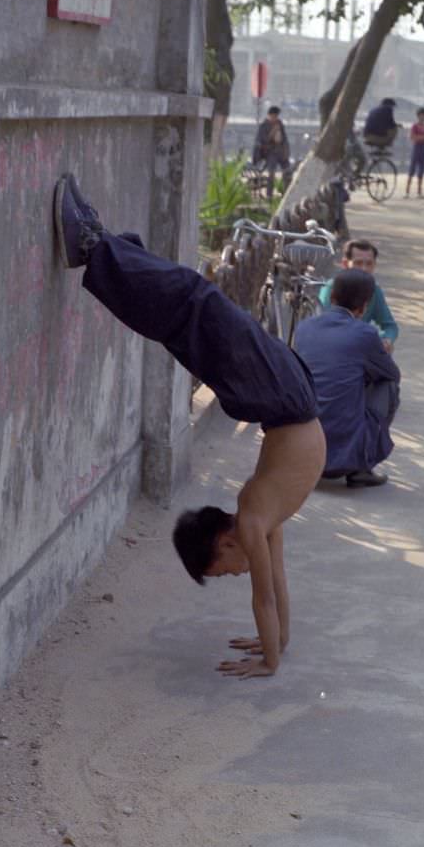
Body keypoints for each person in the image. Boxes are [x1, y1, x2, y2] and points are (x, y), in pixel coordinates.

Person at [53, 173, 326, 679]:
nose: (234, 575)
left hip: (286, 395)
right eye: (224, 573)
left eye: (221, 573)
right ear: (223, 544)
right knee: (189, 307)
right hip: (284, 395)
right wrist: (272, 655)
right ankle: (97, 246)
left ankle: (100, 246)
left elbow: (271, 592)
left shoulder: (259, 517)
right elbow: (267, 596)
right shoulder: (253, 523)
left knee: (188, 310)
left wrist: (275, 647)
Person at [294, 269, 400, 488]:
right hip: (340, 460)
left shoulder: (304, 327)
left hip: (300, 450)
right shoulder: (365, 334)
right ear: (364, 307)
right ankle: (361, 467)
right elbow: (391, 374)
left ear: (331, 297)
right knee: (388, 385)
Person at [318, 239, 399, 353]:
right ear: (345, 264)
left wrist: (387, 340)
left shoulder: (374, 290)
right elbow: (322, 325)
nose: (364, 269)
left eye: (369, 264)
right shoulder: (331, 288)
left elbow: (390, 326)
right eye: (358, 263)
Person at [252, 105, 290, 198]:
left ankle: (286, 193)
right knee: (271, 173)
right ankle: (269, 195)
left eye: (276, 116)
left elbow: (284, 139)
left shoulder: (280, 125)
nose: (275, 118)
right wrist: (272, 132)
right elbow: (261, 140)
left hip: (280, 152)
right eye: (273, 116)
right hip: (270, 152)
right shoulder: (263, 126)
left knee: (287, 171)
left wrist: (286, 150)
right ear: (269, 115)